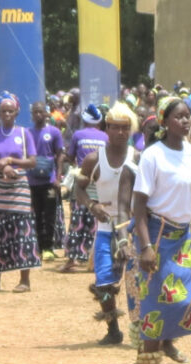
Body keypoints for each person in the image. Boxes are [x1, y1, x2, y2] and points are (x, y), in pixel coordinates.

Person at [131, 96, 191, 364]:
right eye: (179, 117)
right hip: (157, 236)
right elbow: (139, 206)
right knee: (153, 305)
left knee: (187, 301)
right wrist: (146, 246)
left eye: (188, 116)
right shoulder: (152, 156)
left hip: (185, 237)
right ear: (164, 121)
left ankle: (169, 346)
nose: (185, 121)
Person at [77, 102, 140, 344]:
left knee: (138, 284)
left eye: (125, 128)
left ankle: (142, 331)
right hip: (105, 228)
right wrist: (93, 206)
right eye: (115, 128)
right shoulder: (94, 159)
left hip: (134, 228)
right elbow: (78, 188)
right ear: (107, 128)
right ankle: (113, 329)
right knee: (103, 283)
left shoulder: (139, 158)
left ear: (131, 129)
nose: (120, 133)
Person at [0, 92, 40, 293]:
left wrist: (11, 162)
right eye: (3, 111)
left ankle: (24, 281)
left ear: (16, 112)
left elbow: (32, 162)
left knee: (22, 232)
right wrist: (0, 167)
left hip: (19, 188)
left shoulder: (24, 134)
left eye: (10, 111)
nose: (7, 114)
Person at [64, 105, 109, 272]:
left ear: (84, 119)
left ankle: (72, 259)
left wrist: (67, 157)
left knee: (77, 220)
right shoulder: (105, 137)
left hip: (82, 180)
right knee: (94, 221)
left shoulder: (78, 135)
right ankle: (91, 259)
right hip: (99, 182)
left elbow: (70, 156)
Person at [26, 101, 66, 261]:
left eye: (40, 112)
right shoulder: (27, 133)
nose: (37, 115)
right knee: (35, 214)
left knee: (49, 215)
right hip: (32, 181)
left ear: (46, 113)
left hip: (49, 181)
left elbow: (60, 156)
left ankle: (48, 247)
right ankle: (37, 247)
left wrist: (58, 178)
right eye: (35, 112)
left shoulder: (54, 132)